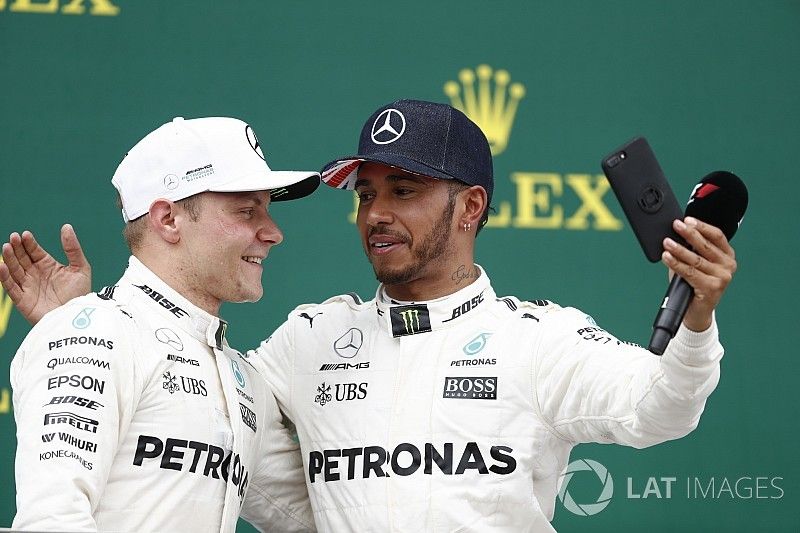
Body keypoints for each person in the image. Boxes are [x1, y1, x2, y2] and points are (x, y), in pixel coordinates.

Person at [2, 100, 737, 532]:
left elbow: (659, 410)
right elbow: (187, 411)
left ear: (470, 206)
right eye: (365, 194)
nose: (376, 215)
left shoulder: (536, 340)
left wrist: (697, 316)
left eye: (404, 190)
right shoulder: (307, 342)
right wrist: (84, 329)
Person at [1, 116, 318, 532]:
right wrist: (84, 327)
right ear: (168, 219)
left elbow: (322, 518)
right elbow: (52, 520)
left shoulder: (245, 381)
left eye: (267, 210)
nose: (273, 232)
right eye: (246, 210)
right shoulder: (94, 334)